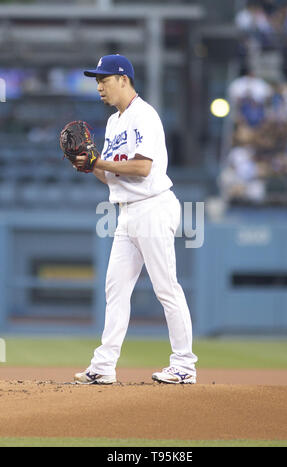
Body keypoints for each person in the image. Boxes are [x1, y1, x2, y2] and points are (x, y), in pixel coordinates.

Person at [74, 54, 198, 385]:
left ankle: (184, 364)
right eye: (97, 80)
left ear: (124, 79)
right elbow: (113, 179)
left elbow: (143, 168)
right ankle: (103, 365)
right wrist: (93, 167)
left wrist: (101, 161)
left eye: (104, 79)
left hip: (154, 206)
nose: (99, 86)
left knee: (166, 288)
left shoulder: (144, 115)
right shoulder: (114, 123)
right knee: (115, 289)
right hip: (127, 211)